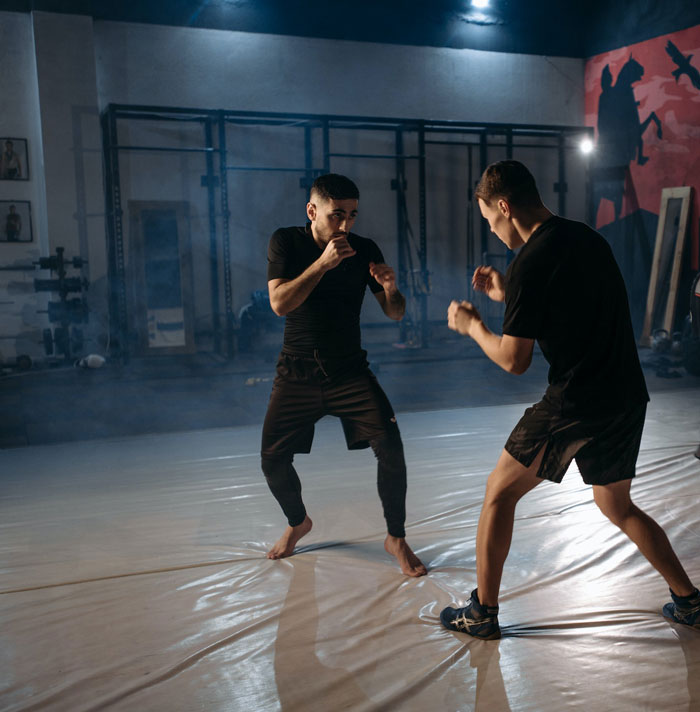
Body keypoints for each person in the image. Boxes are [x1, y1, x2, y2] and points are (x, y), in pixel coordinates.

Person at [441, 160, 699, 638]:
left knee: (498, 493)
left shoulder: (528, 261)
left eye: (490, 220)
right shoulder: (585, 237)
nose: (492, 230)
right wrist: (509, 294)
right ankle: (689, 601)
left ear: (504, 207)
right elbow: (571, 307)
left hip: (577, 401)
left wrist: (473, 326)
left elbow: (514, 360)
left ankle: (481, 614)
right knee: (617, 505)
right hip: (626, 395)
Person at [261, 173, 427, 577]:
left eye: (352, 215)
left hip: (349, 370)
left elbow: (396, 313)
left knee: (391, 447)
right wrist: (323, 264)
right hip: (297, 370)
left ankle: (396, 538)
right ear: (312, 211)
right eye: (337, 215)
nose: (345, 224)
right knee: (272, 459)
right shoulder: (286, 242)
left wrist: (391, 288)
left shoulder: (364, 249)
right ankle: (298, 522)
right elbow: (279, 303)